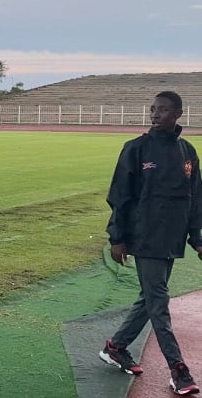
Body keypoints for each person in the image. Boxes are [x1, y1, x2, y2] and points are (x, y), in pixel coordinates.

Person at [100, 90, 202, 396]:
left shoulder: (188, 152)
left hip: (171, 239)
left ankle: (116, 347)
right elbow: (120, 196)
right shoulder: (136, 149)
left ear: (178, 114)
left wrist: (197, 238)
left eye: (163, 110)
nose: (155, 115)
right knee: (159, 301)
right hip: (144, 237)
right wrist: (117, 237)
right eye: (153, 110)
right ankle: (178, 370)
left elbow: (195, 199)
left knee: (149, 299)